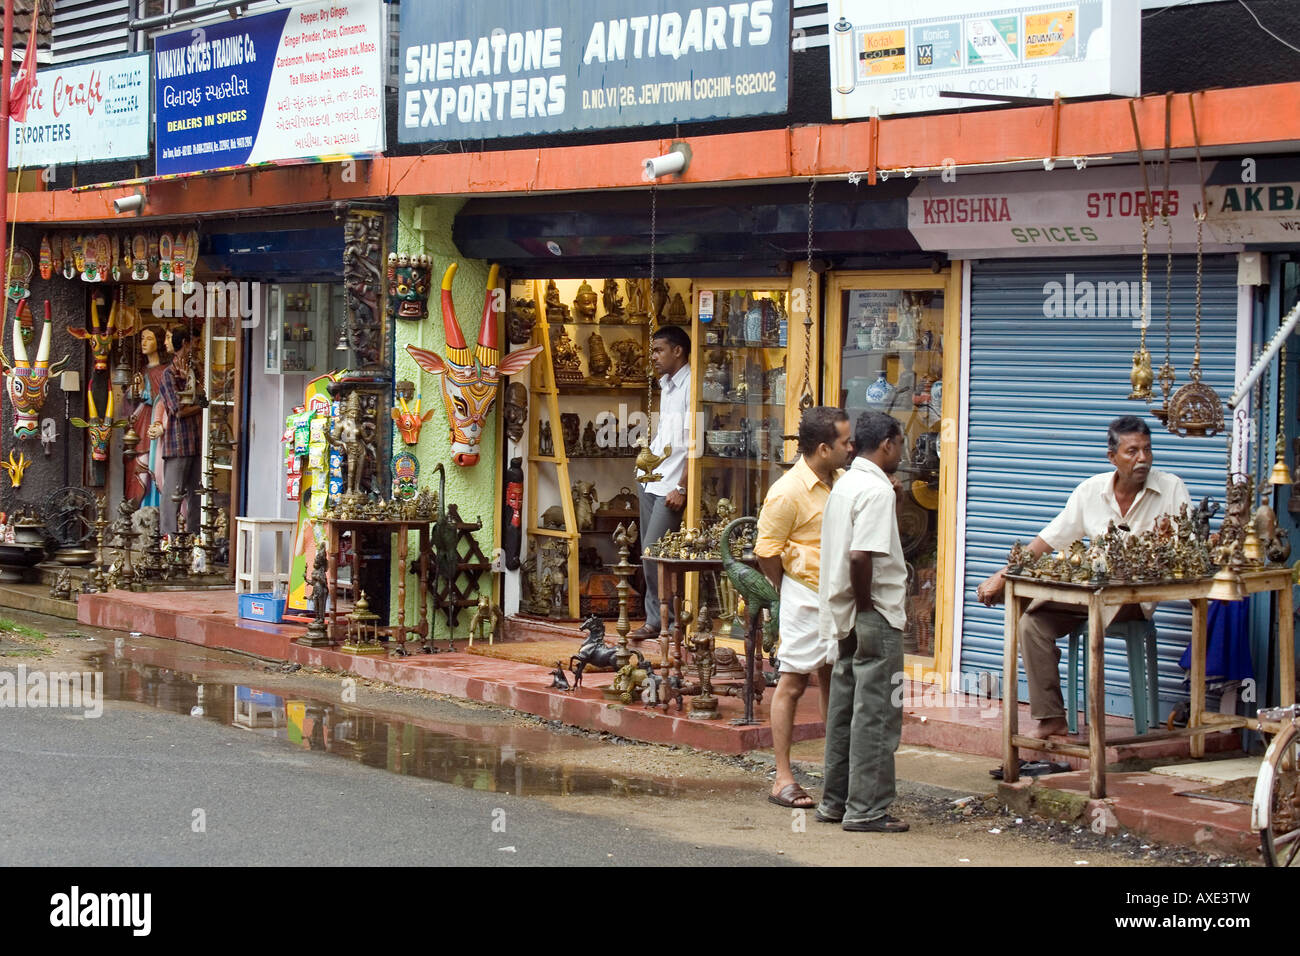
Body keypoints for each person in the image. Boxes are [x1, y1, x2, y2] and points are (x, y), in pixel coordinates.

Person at [975, 415, 1191, 739]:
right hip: (1089, 593)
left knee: (1094, 612)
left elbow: (1184, 551)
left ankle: (1097, 734)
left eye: (1147, 450)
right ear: (1112, 457)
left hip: (1133, 599)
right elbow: (1046, 541)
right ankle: (1051, 717)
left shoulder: (1171, 489)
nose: (1143, 458)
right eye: (1132, 451)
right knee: (1031, 624)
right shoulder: (1090, 492)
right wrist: (1002, 576)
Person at [816, 411, 910, 833]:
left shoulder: (847, 484)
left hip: (845, 613)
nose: (903, 450)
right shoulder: (875, 490)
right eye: (901, 442)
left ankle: (835, 803)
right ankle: (867, 809)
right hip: (873, 613)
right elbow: (861, 556)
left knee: (844, 710)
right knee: (876, 713)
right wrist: (869, 607)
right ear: (887, 443)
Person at [756, 406, 853, 809]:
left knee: (834, 680)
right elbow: (766, 552)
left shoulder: (844, 480)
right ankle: (782, 778)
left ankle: (835, 776)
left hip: (838, 594)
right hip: (802, 595)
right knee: (793, 683)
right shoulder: (786, 491)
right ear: (824, 448)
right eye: (846, 443)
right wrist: (787, 588)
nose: (852, 448)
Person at [629, 325, 691, 640]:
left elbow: (696, 444)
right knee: (647, 552)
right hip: (653, 480)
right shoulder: (667, 386)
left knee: (656, 553)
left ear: (677, 351)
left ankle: (666, 621)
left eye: (658, 350)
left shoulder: (692, 384)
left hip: (672, 486)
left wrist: (683, 486)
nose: (653, 356)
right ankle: (657, 620)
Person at [158, 329, 207, 537]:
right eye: (195, 342)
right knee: (173, 496)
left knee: (197, 497)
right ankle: (168, 542)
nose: (197, 346)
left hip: (197, 442)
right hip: (178, 444)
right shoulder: (169, 374)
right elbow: (178, 411)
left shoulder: (196, 369)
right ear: (185, 343)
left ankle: (195, 541)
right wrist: (203, 405)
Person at [128, 325, 168, 508]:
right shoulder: (142, 370)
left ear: (159, 342)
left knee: (152, 463)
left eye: (149, 338)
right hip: (141, 421)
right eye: (142, 338)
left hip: (155, 421)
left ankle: (153, 507)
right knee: (138, 464)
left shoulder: (164, 371)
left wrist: (146, 394)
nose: (144, 342)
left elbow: (163, 398)